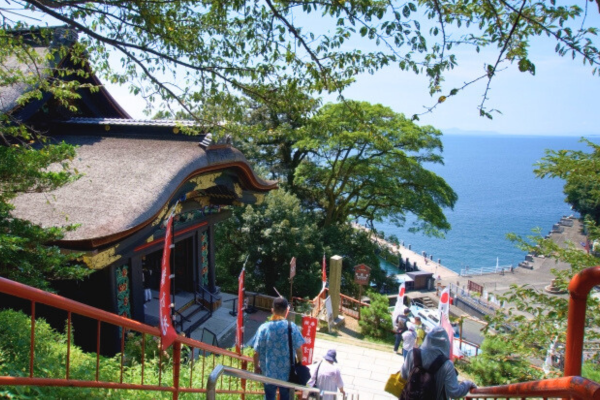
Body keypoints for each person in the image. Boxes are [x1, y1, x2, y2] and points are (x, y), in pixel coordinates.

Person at [401, 326, 477, 400]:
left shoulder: (412, 354)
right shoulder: (447, 365)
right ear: (446, 344)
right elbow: (455, 392)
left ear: (427, 339)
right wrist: (467, 384)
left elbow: (403, 375)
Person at [253, 297, 305, 400]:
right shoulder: (292, 327)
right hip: (287, 374)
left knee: (269, 397)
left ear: (272, 310)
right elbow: (299, 351)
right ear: (286, 311)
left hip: (268, 372)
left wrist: (256, 367)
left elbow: (256, 352)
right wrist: (299, 363)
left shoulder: (263, 328)